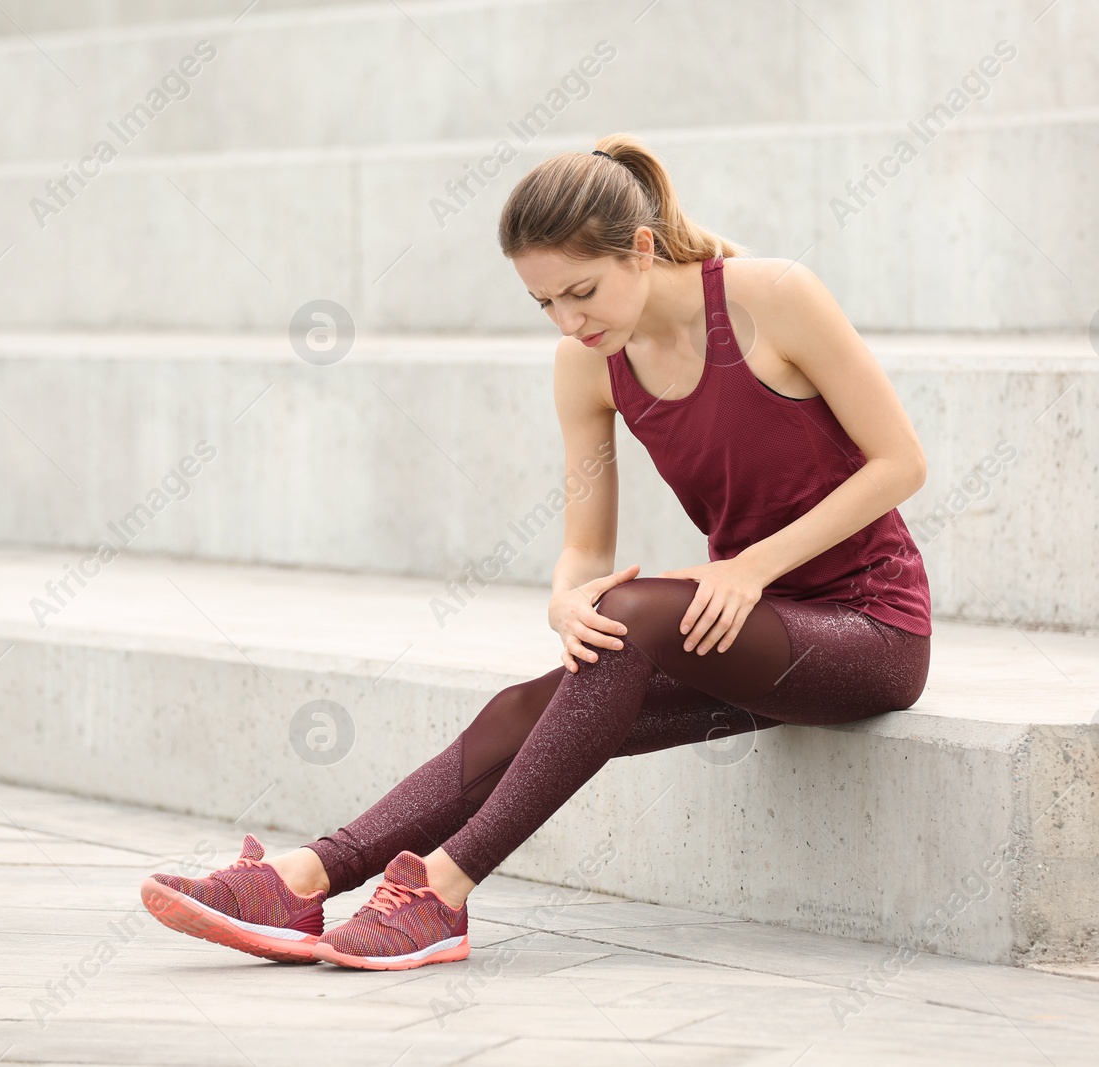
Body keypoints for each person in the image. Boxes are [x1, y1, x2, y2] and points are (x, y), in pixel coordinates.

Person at [140, 133, 933, 971]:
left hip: (868, 630)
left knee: (631, 615)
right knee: (537, 696)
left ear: (639, 247)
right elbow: (586, 547)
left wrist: (749, 567)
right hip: (747, 637)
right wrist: (565, 599)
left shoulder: (771, 297)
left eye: (582, 292)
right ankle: (304, 877)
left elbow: (903, 462)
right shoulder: (586, 366)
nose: (569, 321)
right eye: (545, 303)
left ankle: (441, 891)